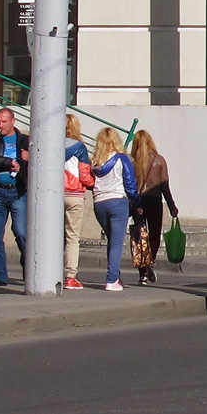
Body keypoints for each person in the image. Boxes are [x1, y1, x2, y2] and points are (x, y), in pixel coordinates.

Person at [91, 128, 141, 291]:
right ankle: (111, 279)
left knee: (111, 240)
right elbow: (130, 183)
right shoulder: (122, 159)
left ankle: (115, 276)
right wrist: (137, 202)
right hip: (118, 202)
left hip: (99, 203)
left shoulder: (96, 161)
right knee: (116, 243)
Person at [130, 130, 179, 286]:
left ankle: (142, 273)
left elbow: (128, 185)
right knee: (154, 236)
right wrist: (172, 206)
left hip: (137, 203)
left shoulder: (132, 161)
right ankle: (150, 261)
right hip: (155, 202)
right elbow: (164, 186)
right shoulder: (159, 160)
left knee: (139, 237)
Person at [0, 108, 29, 288]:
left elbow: (44, 159)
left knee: (22, 233)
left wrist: (30, 158)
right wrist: (8, 163)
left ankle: (29, 270)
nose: (0, 125)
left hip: (18, 193)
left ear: (12, 121)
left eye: (3, 122)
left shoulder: (24, 140)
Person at [63, 114, 95, 290]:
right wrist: (94, 183)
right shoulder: (80, 148)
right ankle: (70, 276)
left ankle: (50, 271)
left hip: (54, 195)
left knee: (55, 237)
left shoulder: (52, 144)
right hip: (74, 195)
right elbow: (85, 176)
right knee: (72, 238)